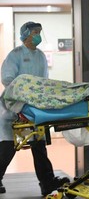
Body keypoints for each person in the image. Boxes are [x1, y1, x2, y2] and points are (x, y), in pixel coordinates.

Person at [0, 21, 70, 196]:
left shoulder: (40, 56)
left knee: (39, 146)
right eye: (35, 32)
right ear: (25, 34)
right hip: (14, 108)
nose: (38, 35)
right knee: (8, 147)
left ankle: (47, 182)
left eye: (39, 32)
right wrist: (23, 97)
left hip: (35, 109)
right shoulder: (15, 55)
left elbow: (44, 82)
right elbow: (8, 80)